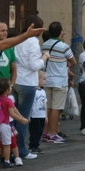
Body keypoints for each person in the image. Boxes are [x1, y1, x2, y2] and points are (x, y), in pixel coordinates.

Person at [0, 19, 46, 171]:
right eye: (2, 30)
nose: (5, 33)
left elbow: (6, 46)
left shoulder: (7, 47)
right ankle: (17, 152)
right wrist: (27, 36)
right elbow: (4, 45)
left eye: (7, 30)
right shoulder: (2, 46)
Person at [13, 15, 49, 159]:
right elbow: (34, 65)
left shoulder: (20, 38)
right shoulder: (33, 42)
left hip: (16, 80)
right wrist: (44, 58)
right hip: (27, 82)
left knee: (14, 117)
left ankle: (11, 149)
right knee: (23, 118)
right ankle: (21, 150)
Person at [41, 21, 76, 143]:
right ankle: (52, 133)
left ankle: (45, 133)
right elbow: (73, 61)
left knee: (48, 108)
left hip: (46, 80)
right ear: (61, 32)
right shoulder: (64, 46)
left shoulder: (44, 45)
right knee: (56, 108)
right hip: (59, 81)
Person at [0, 78, 29, 168]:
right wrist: (22, 119)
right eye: (11, 87)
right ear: (7, 90)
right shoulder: (8, 100)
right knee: (6, 144)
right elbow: (12, 114)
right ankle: (7, 161)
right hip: (5, 125)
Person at [28, 70, 47, 154]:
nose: (44, 81)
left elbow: (45, 103)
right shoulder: (33, 91)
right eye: (43, 79)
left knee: (40, 131)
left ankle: (36, 145)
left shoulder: (43, 91)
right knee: (34, 131)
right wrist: (29, 115)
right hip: (34, 115)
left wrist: (46, 115)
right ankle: (32, 145)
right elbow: (30, 104)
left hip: (41, 114)